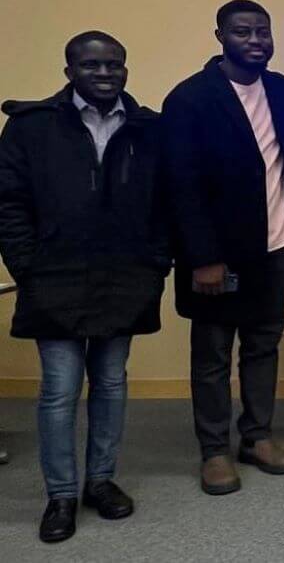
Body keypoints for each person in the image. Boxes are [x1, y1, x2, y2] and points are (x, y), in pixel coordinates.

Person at [0, 32, 169, 542]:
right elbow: (9, 203)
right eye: (92, 65)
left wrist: (156, 261)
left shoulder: (147, 128)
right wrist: (26, 265)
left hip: (125, 275)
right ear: (69, 69)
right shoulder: (31, 127)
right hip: (54, 276)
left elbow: (164, 201)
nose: (105, 73)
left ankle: (100, 480)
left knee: (112, 382)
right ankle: (61, 494)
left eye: (115, 64)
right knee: (59, 390)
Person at [163, 0, 284, 494]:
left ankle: (257, 436)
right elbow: (181, 185)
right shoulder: (191, 99)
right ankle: (214, 451)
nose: (255, 40)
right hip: (218, 255)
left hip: (277, 244)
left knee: (264, 346)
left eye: (262, 31)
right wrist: (202, 258)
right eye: (242, 31)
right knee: (213, 355)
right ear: (220, 35)